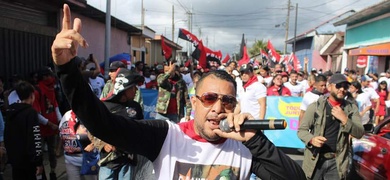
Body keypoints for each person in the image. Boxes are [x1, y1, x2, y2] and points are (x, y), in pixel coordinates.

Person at [50, 4, 306, 179]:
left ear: (235, 106)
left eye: (227, 101)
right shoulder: (166, 136)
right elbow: (103, 124)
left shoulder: (245, 147)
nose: (217, 108)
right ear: (194, 103)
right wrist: (67, 70)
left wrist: (255, 140)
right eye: (209, 98)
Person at [297, 73, 364, 179]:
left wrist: (345, 119)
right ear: (329, 87)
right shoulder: (315, 107)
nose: (342, 89)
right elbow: (301, 130)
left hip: (337, 162)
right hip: (316, 159)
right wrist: (312, 139)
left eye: (345, 86)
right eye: (338, 86)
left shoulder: (351, 108)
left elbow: (359, 133)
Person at [4, 81, 44, 180]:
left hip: (15, 161)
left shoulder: (10, 112)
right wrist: (38, 162)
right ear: (31, 95)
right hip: (29, 162)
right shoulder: (30, 112)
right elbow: (35, 138)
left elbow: (7, 136)